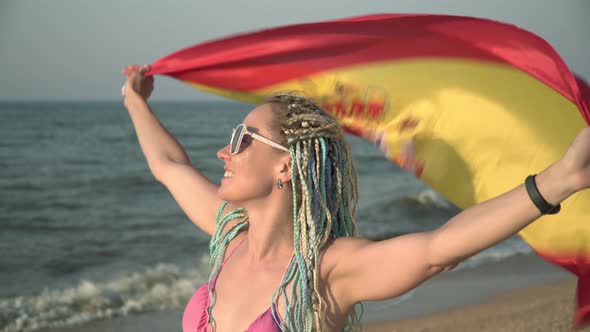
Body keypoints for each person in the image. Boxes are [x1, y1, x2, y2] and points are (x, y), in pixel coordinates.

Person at [121, 64, 590, 332]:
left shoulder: (327, 271)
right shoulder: (229, 235)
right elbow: (170, 167)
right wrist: (134, 101)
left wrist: (559, 179)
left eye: (244, 137)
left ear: (286, 164)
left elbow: (438, 249)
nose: (225, 150)